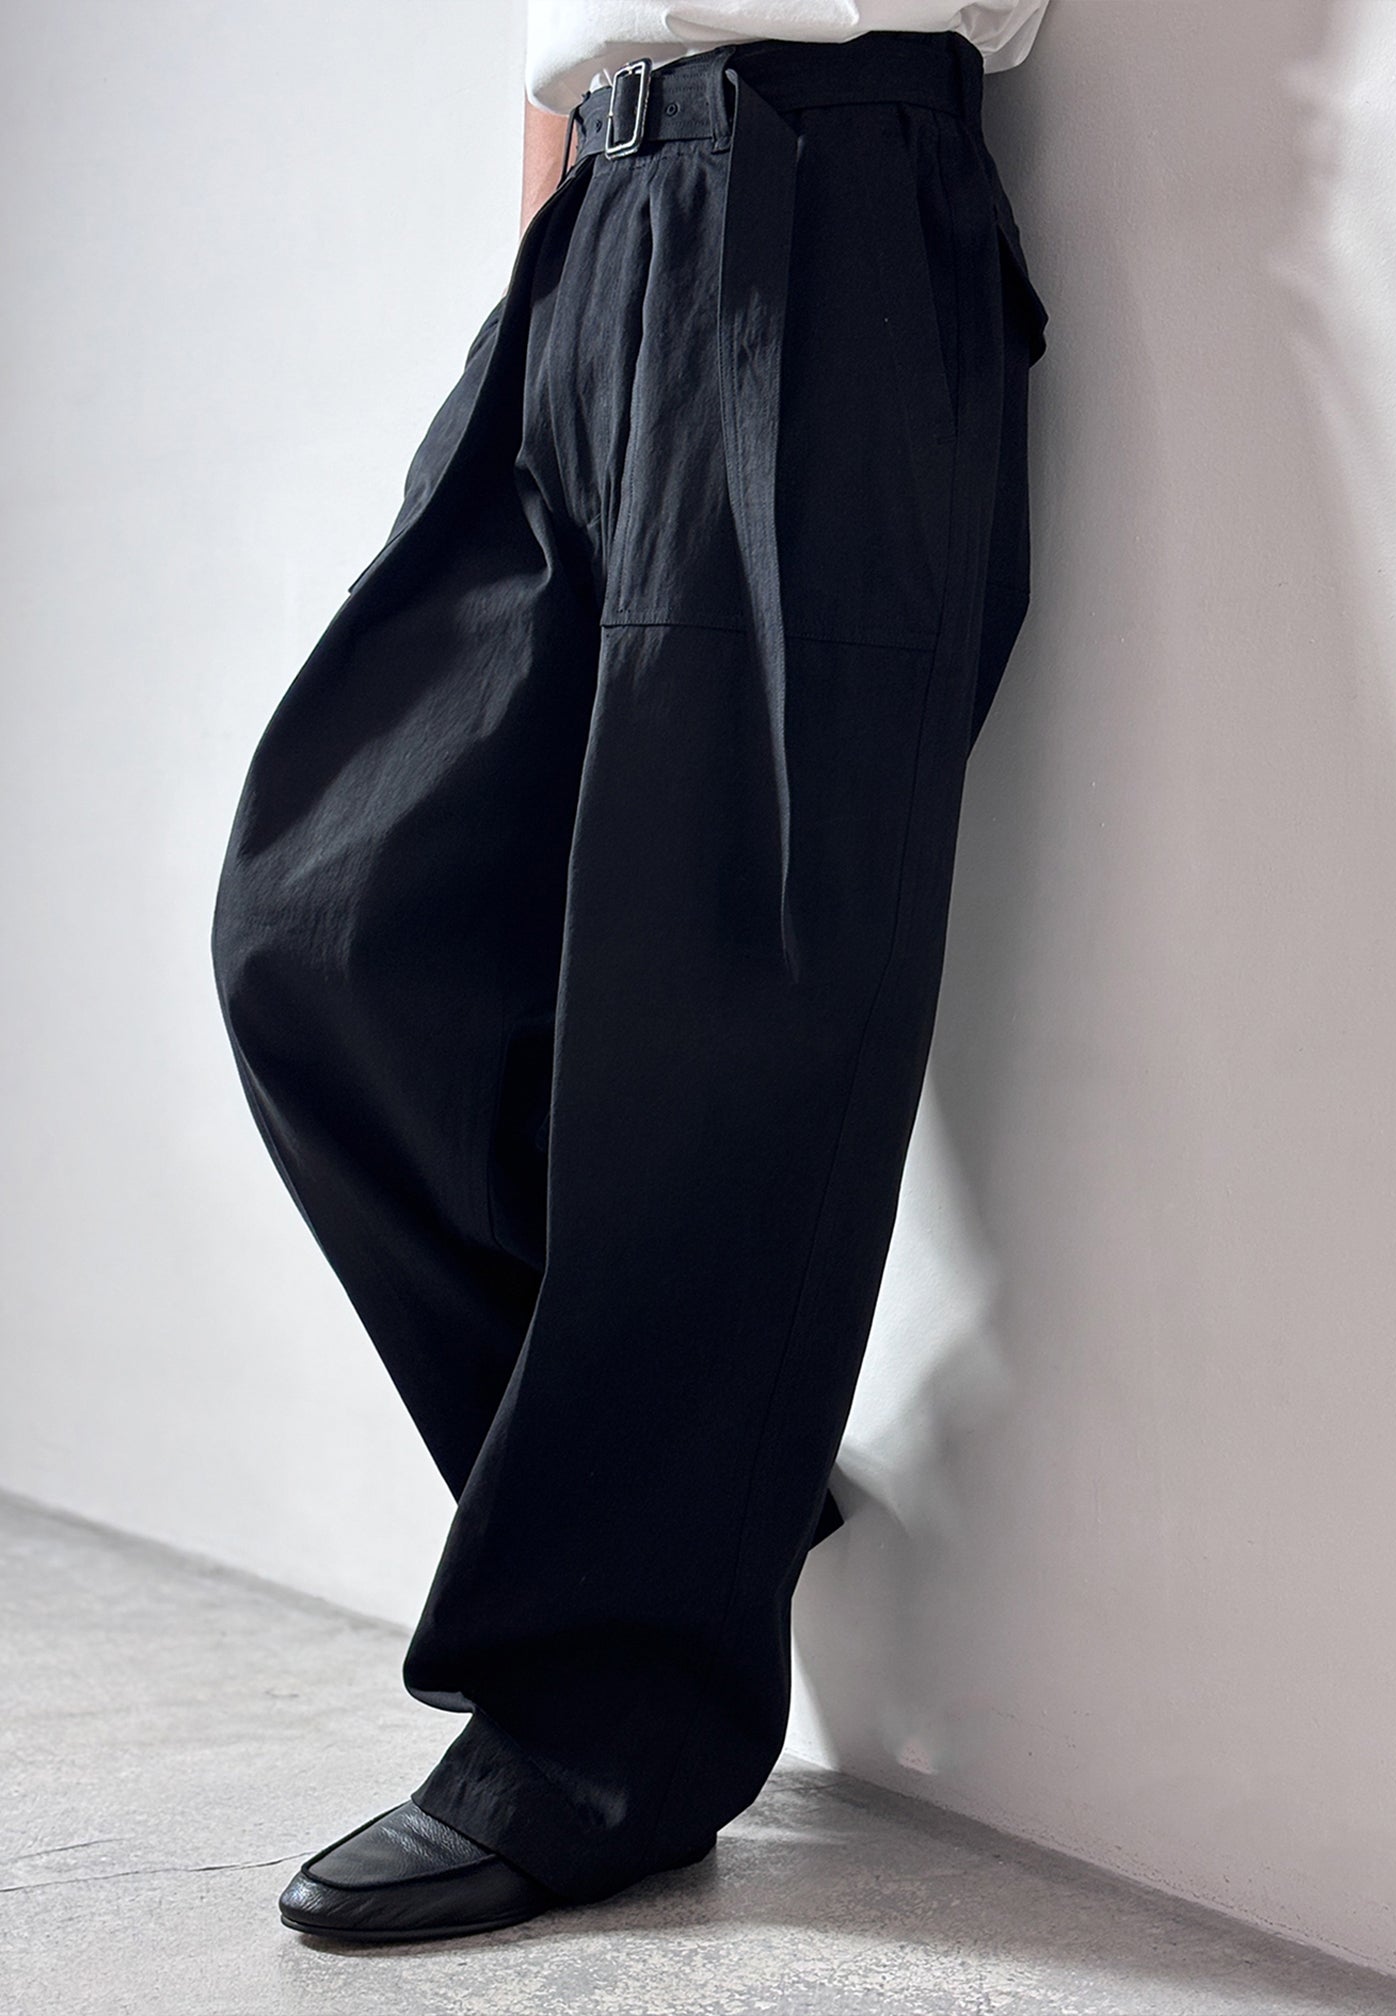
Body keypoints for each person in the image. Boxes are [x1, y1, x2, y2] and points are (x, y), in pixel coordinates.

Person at [210, 0, 1051, 1948]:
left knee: (724, 1006)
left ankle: (613, 1735)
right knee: (324, 935)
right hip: (595, 226)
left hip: (836, 209)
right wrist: (556, 252)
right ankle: (696, 1481)